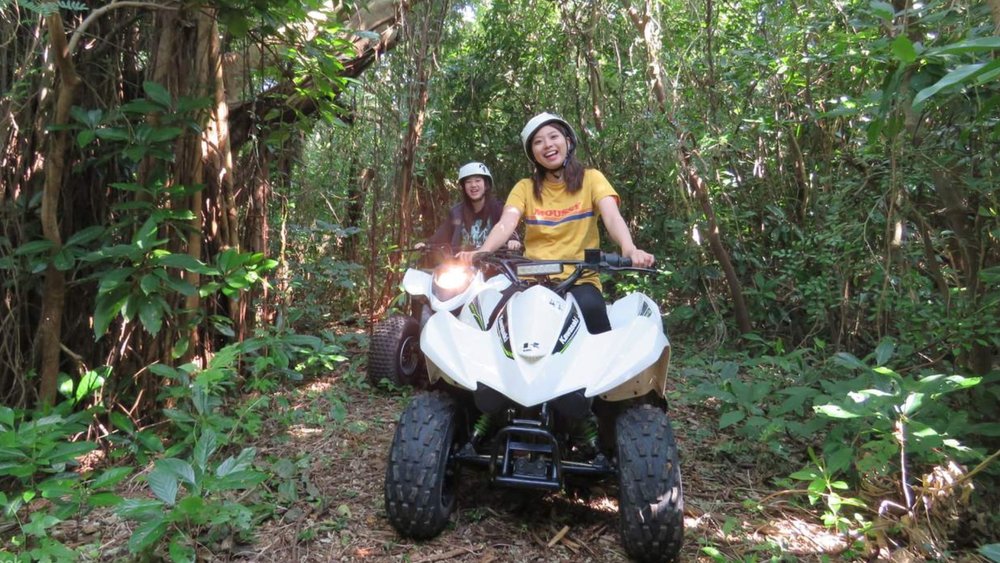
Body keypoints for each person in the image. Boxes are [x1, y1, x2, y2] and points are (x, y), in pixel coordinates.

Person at [457, 112, 654, 334]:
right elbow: (505, 224)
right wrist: (482, 251)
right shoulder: (524, 187)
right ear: (533, 153)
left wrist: (629, 249)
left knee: (594, 317)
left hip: (580, 278)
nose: (547, 145)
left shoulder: (592, 179)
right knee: (497, 322)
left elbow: (612, 216)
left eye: (553, 137)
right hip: (531, 280)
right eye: (538, 142)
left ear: (568, 142)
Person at [417, 161, 521, 256]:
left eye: (477, 180)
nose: (473, 185)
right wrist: (426, 245)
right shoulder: (456, 212)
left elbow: (508, 227)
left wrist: (513, 240)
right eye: (468, 182)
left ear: (486, 185)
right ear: (463, 187)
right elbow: (442, 234)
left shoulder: (498, 208)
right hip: (461, 268)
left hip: (494, 268)